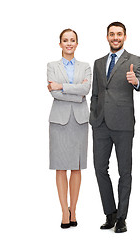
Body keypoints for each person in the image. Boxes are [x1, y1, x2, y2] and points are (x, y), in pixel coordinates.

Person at [89, 21, 140, 233]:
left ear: (125, 36)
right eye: (112, 34)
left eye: (119, 34)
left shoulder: (134, 60)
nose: (115, 37)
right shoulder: (98, 62)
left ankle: (122, 217)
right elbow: (95, 92)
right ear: (107, 37)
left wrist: (135, 81)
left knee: (125, 171)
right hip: (100, 123)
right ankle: (110, 213)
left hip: (122, 123)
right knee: (100, 169)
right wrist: (93, 116)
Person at [47, 28, 91, 229]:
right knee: (60, 166)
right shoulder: (51, 66)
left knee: (76, 166)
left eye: (72, 40)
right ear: (60, 44)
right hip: (59, 121)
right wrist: (76, 91)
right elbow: (54, 95)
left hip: (80, 121)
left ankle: (74, 209)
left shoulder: (85, 66)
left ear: (77, 43)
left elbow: (86, 90)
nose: (69, 43)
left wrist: (62, 86)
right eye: (65, 40)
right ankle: (64, 210)